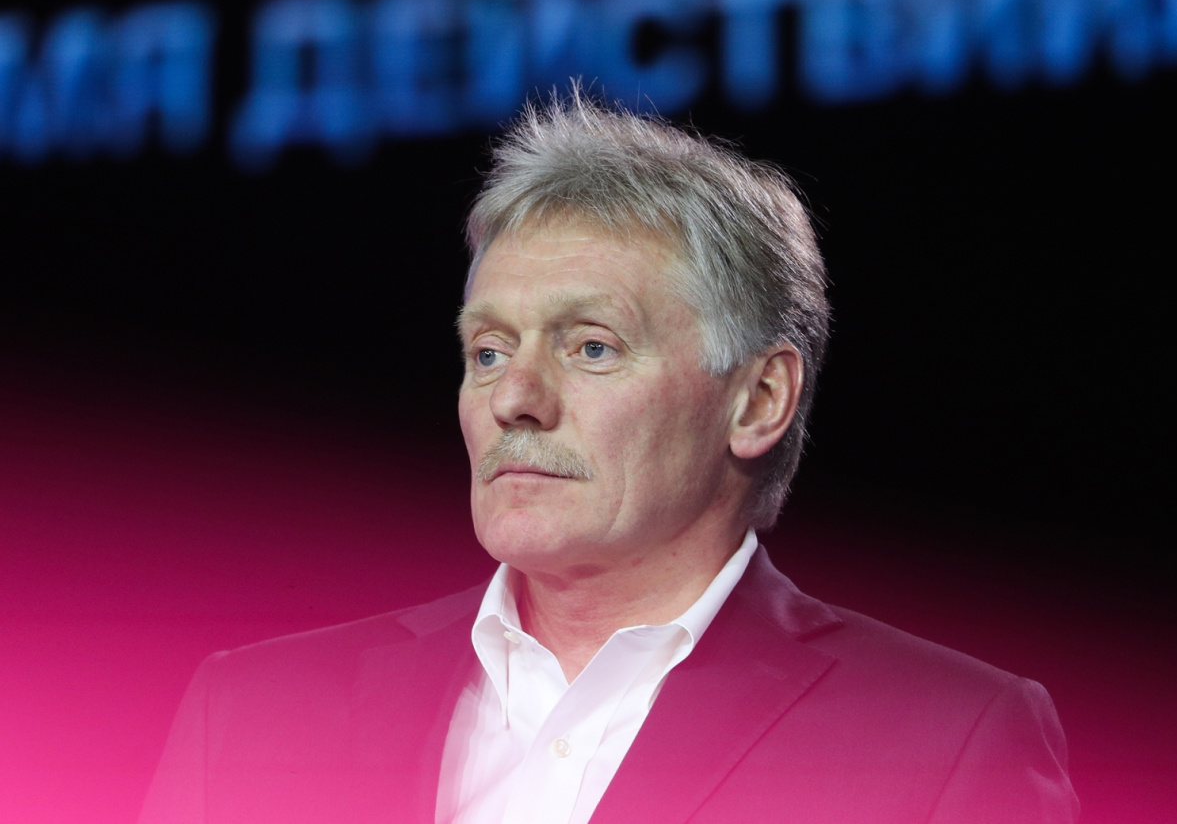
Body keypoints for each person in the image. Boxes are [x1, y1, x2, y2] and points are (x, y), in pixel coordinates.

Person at [139, 87, 1079, 824]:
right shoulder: (250, 716)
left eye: (591, 347)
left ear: (758, 399)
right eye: (488, 351)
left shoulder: (943, 741)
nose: (514, 397)